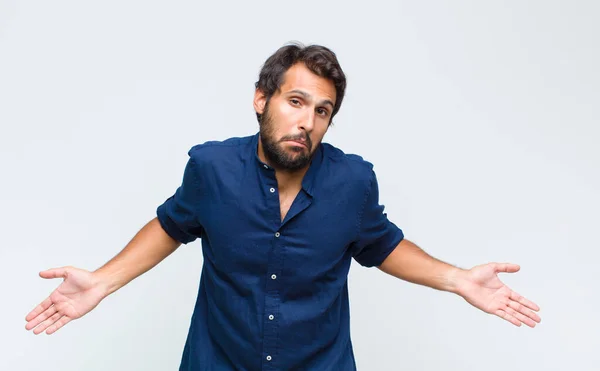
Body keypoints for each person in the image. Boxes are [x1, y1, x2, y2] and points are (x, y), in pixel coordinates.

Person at [25, 42, 541, 370]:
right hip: (217, 362)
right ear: (261, 99)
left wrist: (457, 279)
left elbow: (382, 245)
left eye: (322, 111)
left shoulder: (353, 180)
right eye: (296, 102)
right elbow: (171, 225)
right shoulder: (211, 169)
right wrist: (102, 280)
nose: (308, 122)